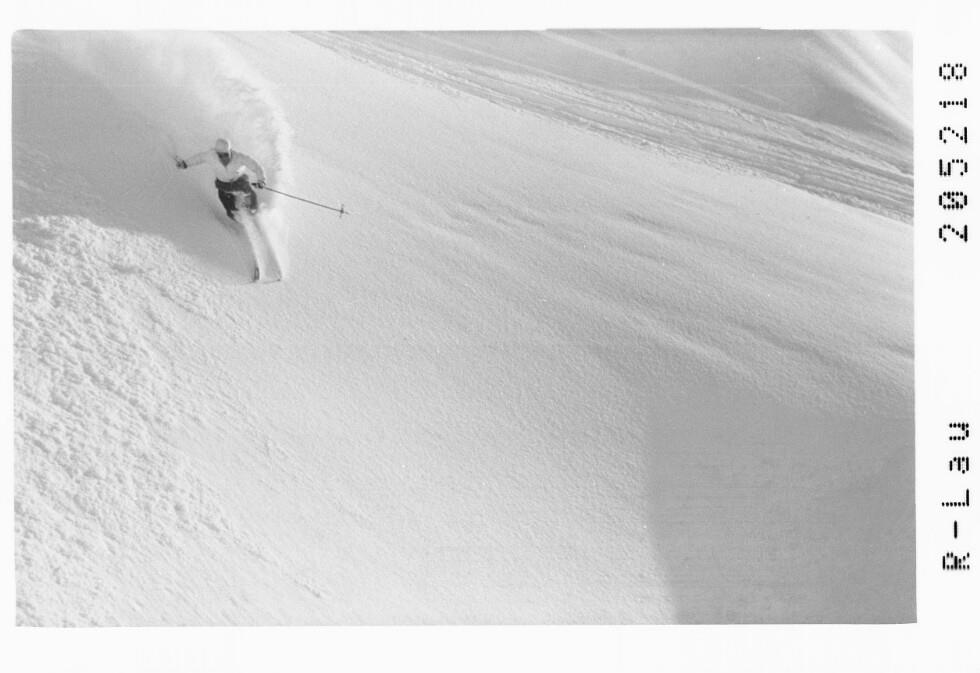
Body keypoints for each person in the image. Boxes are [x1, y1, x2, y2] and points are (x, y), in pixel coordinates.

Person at [176, 138, 267, 219]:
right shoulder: (211, 156)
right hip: (223, 185)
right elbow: (198, 158)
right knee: (229, 207)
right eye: (220, 155)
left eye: (226, 155)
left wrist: (261, 180)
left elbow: (256, 167)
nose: (224, 158)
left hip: (239, 182)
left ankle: (255, 211)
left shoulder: (239, 158)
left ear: (230, 151)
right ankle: (238, 220)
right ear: (217, 153)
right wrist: (185, 164)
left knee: (249, 193)